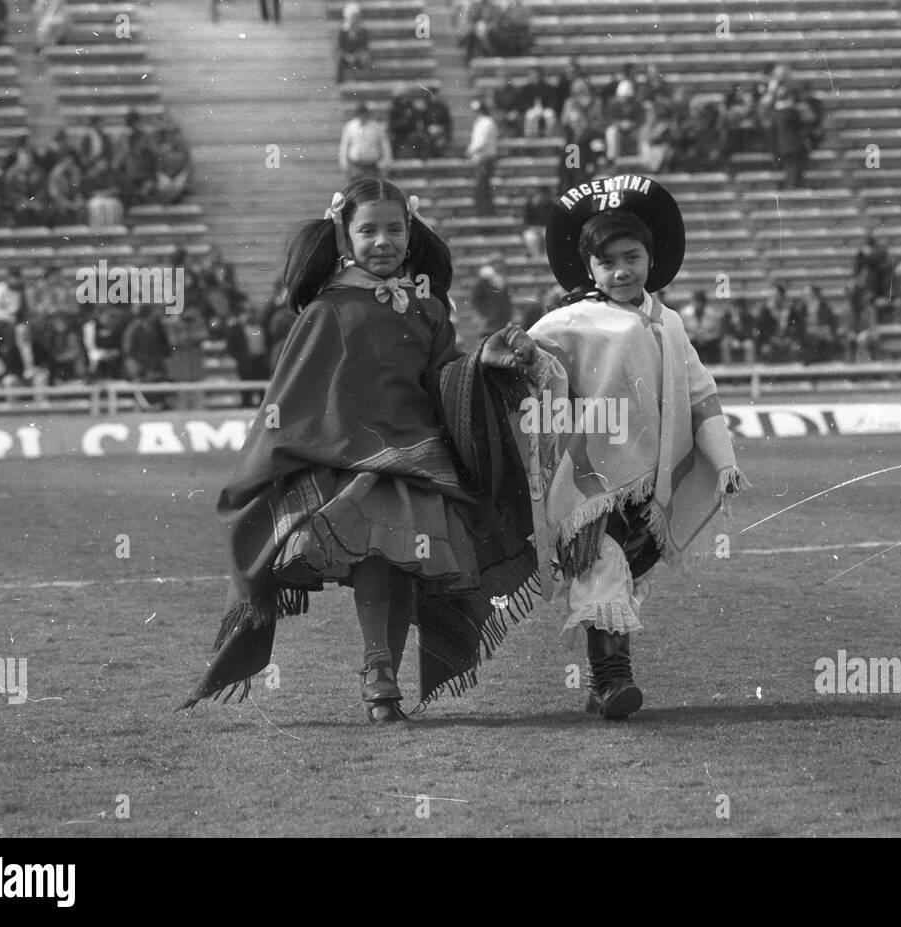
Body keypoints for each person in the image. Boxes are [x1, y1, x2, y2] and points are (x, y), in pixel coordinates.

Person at [180, 178, 545, 725]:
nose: (383, 241)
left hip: (419, 461)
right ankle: (377, 674)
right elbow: (295, 397)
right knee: (379, 551)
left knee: (403, 566)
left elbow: (445, 377)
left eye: (395, 229)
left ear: (410, 230)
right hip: (350, 464)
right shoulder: (326, 311)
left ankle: (385, 682)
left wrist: (484, 360)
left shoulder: (427, 308)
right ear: (343, 235)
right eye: (368, 230)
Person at [526, 173, 749, 720]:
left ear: (652, 256)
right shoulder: (567, 322)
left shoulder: (668, 321)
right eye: (608, 263)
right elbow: (528, 370)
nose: (622, 271)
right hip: (585, 476)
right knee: (598, 562)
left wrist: (723, 461)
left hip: (649, 479)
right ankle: (612, 681)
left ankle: (603, 680)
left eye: (633, 256)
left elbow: (700, 395)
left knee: (623, 571)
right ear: (590, 268)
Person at [339, 103, 393, 179]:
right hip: (355, 165)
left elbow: (384, 145)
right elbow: (345, 145)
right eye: (360, 113)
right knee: (356, 189)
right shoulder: (351, 126)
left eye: (364, 113)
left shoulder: (376, 126)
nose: (362, 115)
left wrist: (385, 161)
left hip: (371, 165)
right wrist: (344, 162)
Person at [465, 98, 500, 215]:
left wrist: (470, 150)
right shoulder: (481, 122)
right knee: (483, 187)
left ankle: (486, 212)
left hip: (486, 159)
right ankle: (485, 211)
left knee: (482, 187)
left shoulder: (486, 122)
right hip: (481, 159)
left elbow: (481, 141)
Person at [336, 3, 371, 83]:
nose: (354, 20)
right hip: (346, 56)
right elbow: (339, 46)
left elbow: (365, 46)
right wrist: (347, 56)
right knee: (339, 61)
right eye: (352, 17)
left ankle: (365, 81)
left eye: (356, 17)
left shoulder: (363, 31)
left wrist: (356, 55)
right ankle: (340, 83)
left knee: (365, 59)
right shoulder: (343, 32)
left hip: (358, 56)